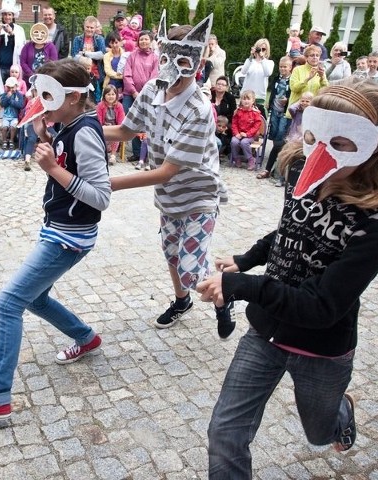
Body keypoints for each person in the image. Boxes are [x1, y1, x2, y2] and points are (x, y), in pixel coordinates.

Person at [198, 81, 378, 478]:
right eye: (313, 136)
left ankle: (340, 412)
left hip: (321, 349)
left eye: (340, 142)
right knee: (225, 434)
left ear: (371, 144)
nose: (322, 152)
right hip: (265, 334)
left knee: (320, 434)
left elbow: (321, 307)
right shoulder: (303, 171)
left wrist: (243, 287)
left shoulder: (377, 221)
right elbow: (290, 229)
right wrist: (247, 260)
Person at [0, 59, 111, 424]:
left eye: (48, 95)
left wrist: (53, 168)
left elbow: (100, 196)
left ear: (71, 97)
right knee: (34, 297)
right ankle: (86, 338)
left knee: (8, 303)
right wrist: (45, 138)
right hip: (61, 229)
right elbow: (70, 164)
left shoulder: (84, 130)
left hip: (69, 237)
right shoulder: (68, 123)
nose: (40, 99)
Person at [104, 13, 235, 339]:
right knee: (171, 254)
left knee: (191, 268)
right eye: (167, 60)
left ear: (199, 60)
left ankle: (226, 294)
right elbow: (124, 130)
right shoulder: (151, 90)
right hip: (169, 196)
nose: (172, 73)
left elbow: (167, 171)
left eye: (181, 62)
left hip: (198, 195)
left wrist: (108, 184)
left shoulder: (199, 110)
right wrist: (77, 129)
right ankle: (181, 303)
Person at [122, 30, 158, 162]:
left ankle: (146, 153)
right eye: (141, 39)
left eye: (146, 39)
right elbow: (127, 74)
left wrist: (144, 93)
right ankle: (136, 152)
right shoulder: (132, 56)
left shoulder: (155, 58)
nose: (143, 41)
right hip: (130, 94)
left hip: (148, 96)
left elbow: (155, 76)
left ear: (150, 41)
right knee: (131, 121)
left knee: (146, 122)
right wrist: (133, 91)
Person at [257, 56, 293, 183]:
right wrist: (269, 102)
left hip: (285, 111)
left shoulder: (292, 80)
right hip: (275, 110)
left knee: (280, 137)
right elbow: (272, 91)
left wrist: (288, 101)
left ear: (290, 67)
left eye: (285, 67)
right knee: (274, 134)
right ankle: (272, 168)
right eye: (281, 67)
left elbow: (292, 93)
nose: (283, 69)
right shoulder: (277, 78)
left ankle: (274, 169)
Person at [0, 0, 26, 96]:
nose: (7, 17)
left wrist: (11, 34)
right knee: (3, 90)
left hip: (13, 67)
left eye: (9, 14)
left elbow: (20, 47)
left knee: (14, 90)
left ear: (13, 16)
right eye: (5, 14)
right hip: (1, 66)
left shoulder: (19, 30)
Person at [287, 45, 328, 118]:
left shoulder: (321, 71)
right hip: (296, 112)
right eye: (312, 55)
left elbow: (325, 91)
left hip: (312, 112)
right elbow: (293, 88)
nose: (315, 57)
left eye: (317, 55)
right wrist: (308, 78)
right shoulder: (297, 70)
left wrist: (322, 78)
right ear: (306, 57)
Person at [72, 16, 106, 102]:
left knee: (95, 98)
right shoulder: (77, 39)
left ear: (95, 28)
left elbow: (102, 54)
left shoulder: (99, 39)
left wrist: (84, 54)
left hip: (95, 74)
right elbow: (74, 56)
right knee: (81, 98)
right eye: (87, 27)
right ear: (84, 26)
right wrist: (93, 55)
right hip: (81, 73)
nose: (89, 29)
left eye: (92, 27)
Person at [239, 38, 274, 118]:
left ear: (267, 51)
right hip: (246, 94)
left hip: (259, 95)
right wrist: (251, 56)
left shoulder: (269, 62)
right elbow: (243, 71)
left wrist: (262, 58)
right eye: (259, 48)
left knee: (257, 119)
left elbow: (268, 73)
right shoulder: (250, 61)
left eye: (263, 49)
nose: (260, 51)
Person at [230, 90, 263, 170]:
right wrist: (236, 133)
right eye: (244, 99)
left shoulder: (255, 113)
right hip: (239, 134)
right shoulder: (238, 111)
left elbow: (256, 126)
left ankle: (250, 159)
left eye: (248, 99)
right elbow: (234, 124)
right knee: (234, 141)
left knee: (244, 142)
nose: (246, 101)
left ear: (253, 101)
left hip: (250, 136)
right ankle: (236, 158)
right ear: (241, 100)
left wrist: (247, 134)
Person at [20, 23, 58, 88]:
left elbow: (54, 62)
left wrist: (45, 74)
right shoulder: (27, 46)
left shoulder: (51, 46)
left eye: (42, 33)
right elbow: (23, 62)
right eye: (36, 32)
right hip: (29, 80)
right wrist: (31, 74)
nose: (39, 35)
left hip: (46, 79)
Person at [96, 84, 125, 165]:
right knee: (100, 134)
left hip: (115, 126)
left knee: (116, 135)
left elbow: (121, 120)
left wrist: (117, 127)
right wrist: (103, 126)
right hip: (103, 126)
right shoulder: (100, 105)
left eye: (113, 94)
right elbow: (98, 120)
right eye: (108, 94)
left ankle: (113, 155)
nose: (111, 96)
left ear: (116, 95)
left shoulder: (119, 106)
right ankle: (101, 154)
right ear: (104, 95)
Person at [0, 76, 24, 149]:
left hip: (14, 116)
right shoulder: (5, 94)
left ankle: (11, 141)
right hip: (6, 116)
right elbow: (2, 104)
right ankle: (4, 141)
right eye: (9, 87)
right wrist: (7, 97)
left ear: (16, 86)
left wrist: (11, 101)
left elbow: (20, 105)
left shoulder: (19, 95)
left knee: (13, 127)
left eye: (12, 87)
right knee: (4, 127)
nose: (11, 89)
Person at [103, 32, 125, 96]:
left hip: (123, 84)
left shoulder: (125, 54)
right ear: (109, 43)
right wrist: (121, 76)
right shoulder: (106, 56)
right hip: (111, 84)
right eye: (112, 43)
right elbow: (108, 71)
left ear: (120, 42)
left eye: (116, 42)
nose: (114, 45)